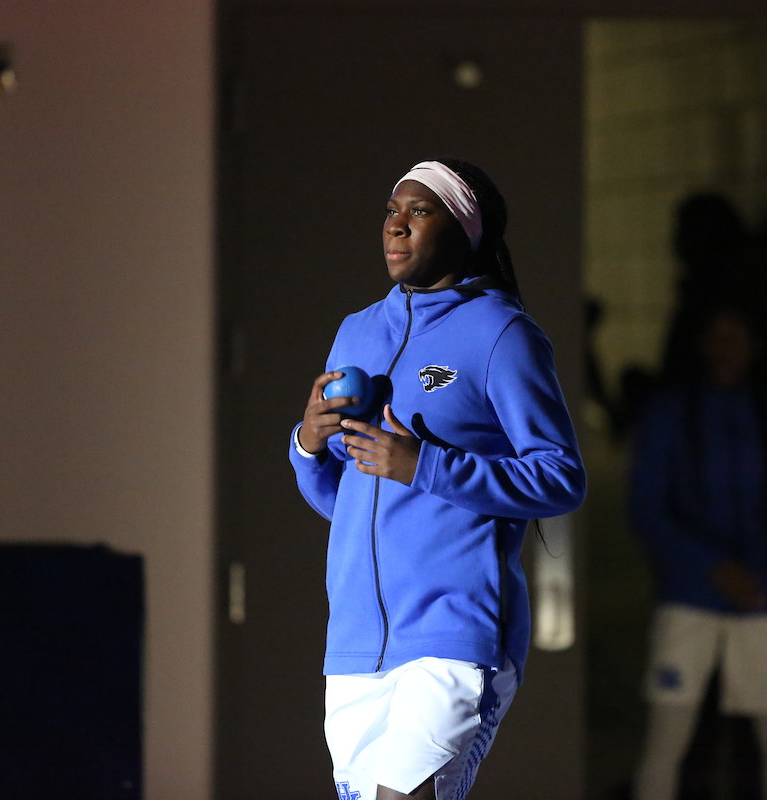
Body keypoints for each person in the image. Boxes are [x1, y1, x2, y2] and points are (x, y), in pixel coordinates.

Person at [288, 159, 586, 800]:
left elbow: (560, 478)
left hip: (455, 629)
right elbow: (346, 503)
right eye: (391, 211)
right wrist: (309, 445)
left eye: (419, 211)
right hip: (357, 640)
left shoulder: (501, 333)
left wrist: (421, 465)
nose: (396, 226)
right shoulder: (356, 331)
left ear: (465, 232)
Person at [629, 305, 767, 800]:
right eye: (717, 337)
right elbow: (647, 508)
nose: (726, 349)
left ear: (756, 347)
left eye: (737, 337)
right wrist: (713, 567)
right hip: (690, 596)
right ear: (701, 344)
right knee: (667, 738)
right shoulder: (672, 412)